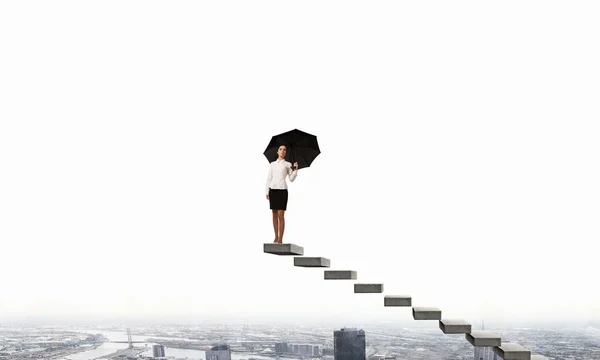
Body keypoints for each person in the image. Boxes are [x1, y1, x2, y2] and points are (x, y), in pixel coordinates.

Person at [266, 144, 298, 243]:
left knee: (281, 215)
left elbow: (291, 179)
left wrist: (296, 169)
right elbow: (269, 178)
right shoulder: (272, 164)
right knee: (274, 214)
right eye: (280, 149)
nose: (282, 151)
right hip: (273, 190)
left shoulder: (288, 164)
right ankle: (276, 236)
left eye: (284, 150)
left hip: (282, 190)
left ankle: (280, 238)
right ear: (277, 151)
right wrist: (267, 191)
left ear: (286, 152)